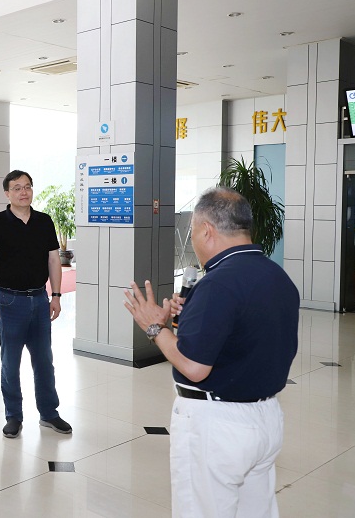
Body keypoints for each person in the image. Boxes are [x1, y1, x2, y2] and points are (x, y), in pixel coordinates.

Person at [123, 186, 299, 518]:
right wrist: (191, 315)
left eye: (192, 232)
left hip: (218, 427)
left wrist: (154, 327)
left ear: (207, 230)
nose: (193, 241)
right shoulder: (276, 276)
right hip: (265, 420)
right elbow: (243, 335)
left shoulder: (218, 284)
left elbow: (194, 366)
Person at [0, 169, 71, 439]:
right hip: (9, 301)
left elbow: (54, 260)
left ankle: (49, 413)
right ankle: (13, 416)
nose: (24, 192)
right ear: (7, 193)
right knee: (10, 362)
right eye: (17, 188)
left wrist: (56, 295)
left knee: (44, 360)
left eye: (28, 186)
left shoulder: (44, 221)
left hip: (40, 300)